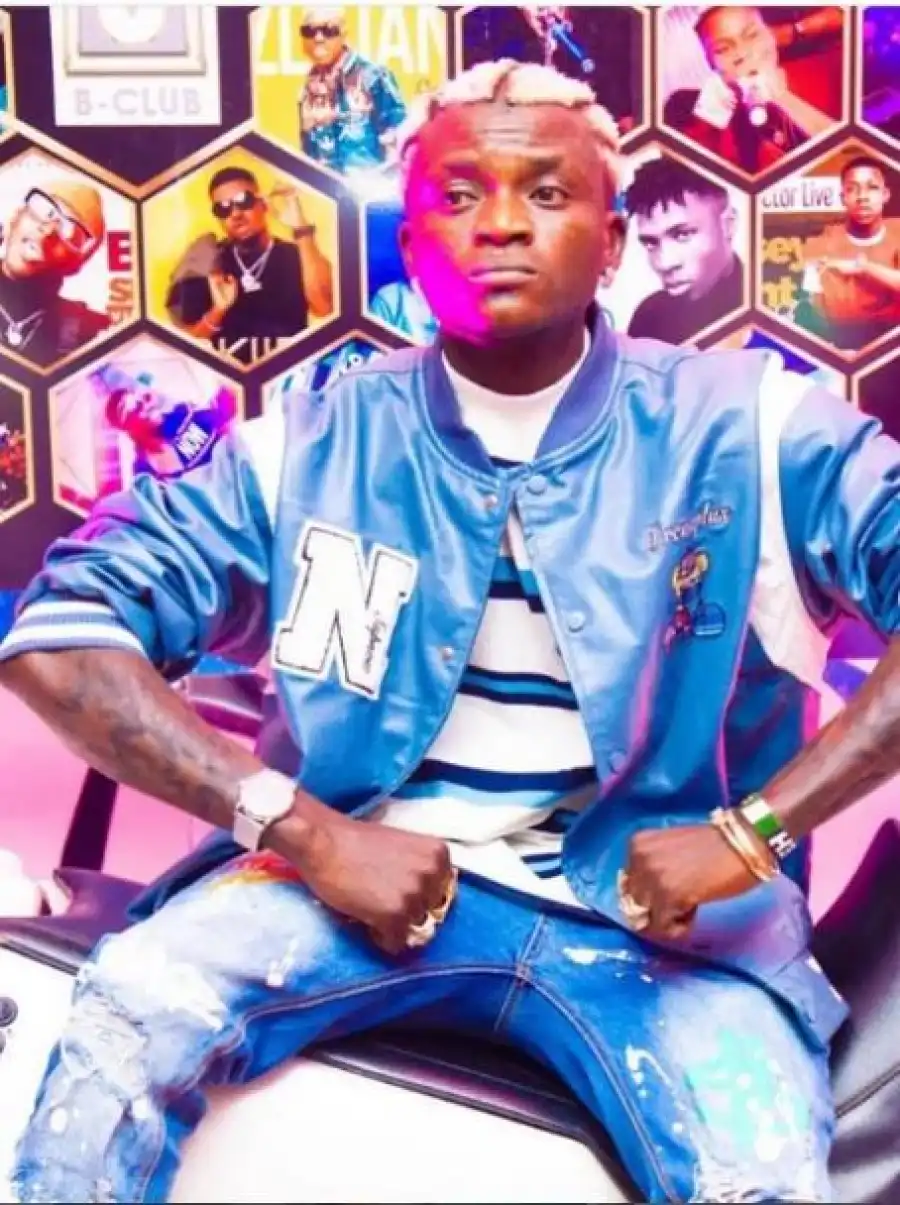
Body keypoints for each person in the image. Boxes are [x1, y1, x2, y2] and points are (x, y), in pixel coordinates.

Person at [2, 58, 899, 1205]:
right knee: (127, 1011)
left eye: (547, 192)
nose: (503, 224)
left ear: (613, 240)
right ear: (411, 242)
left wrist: (754, 830)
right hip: (347, 889)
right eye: (460, 195)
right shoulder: (308, 445)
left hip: (674, 937)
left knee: (758, 1176)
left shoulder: (754, 429)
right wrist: (303, 829)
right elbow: (61, 632)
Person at [165, 166, 333, 366]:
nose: (236, 214)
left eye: (244, 201)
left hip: (286, 374)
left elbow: (324, 307)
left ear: (263, 204)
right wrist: (218, 310)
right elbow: (190, 342)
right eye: (223, 209)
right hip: (227, 379)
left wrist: (301, 228)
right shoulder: (210, 262)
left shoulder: (298, 254)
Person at [664, 6, 836, 175]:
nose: (742, 53)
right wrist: (710, 120)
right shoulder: (711, 120)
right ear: (710, 63)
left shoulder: (826, 71)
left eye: (752, 35)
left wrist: (783, 98)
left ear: (771, 36)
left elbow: (845, 151)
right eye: (723, 49)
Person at [623, 157, 744, 344]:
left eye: (682, 235)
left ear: (728, 225)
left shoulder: (770, 306)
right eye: (651, 243)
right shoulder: (648, 320)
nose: (664, 263)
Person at [794, 155, 900, 351]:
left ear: (885, 195)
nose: (862, 197)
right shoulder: (822, 243)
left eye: (872, 187)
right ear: (843, 197)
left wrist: (863, 267)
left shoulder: (897, 232)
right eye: (852, 189)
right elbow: (812, 310)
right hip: (844, 349)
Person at [0, 178, 110, 366]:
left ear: (76, 263)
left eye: (70, 231)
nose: (48, 230)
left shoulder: (93, 332)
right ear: (14, 219)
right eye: (45, 210)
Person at [297, 6, 407, 175]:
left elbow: (399, 138)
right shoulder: (307, 88)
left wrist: (384, 183)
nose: (318, 38)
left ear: (344, 33)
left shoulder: (373, 76)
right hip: (323, 187)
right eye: (309, 31)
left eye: (329, 30)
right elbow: (308, 150)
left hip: (369, 186)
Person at [92, 365, 237, 482]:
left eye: (141, 399)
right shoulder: (145, 467)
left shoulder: (181, 411)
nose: (145, 406)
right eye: (136, 409)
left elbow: (229, 403)